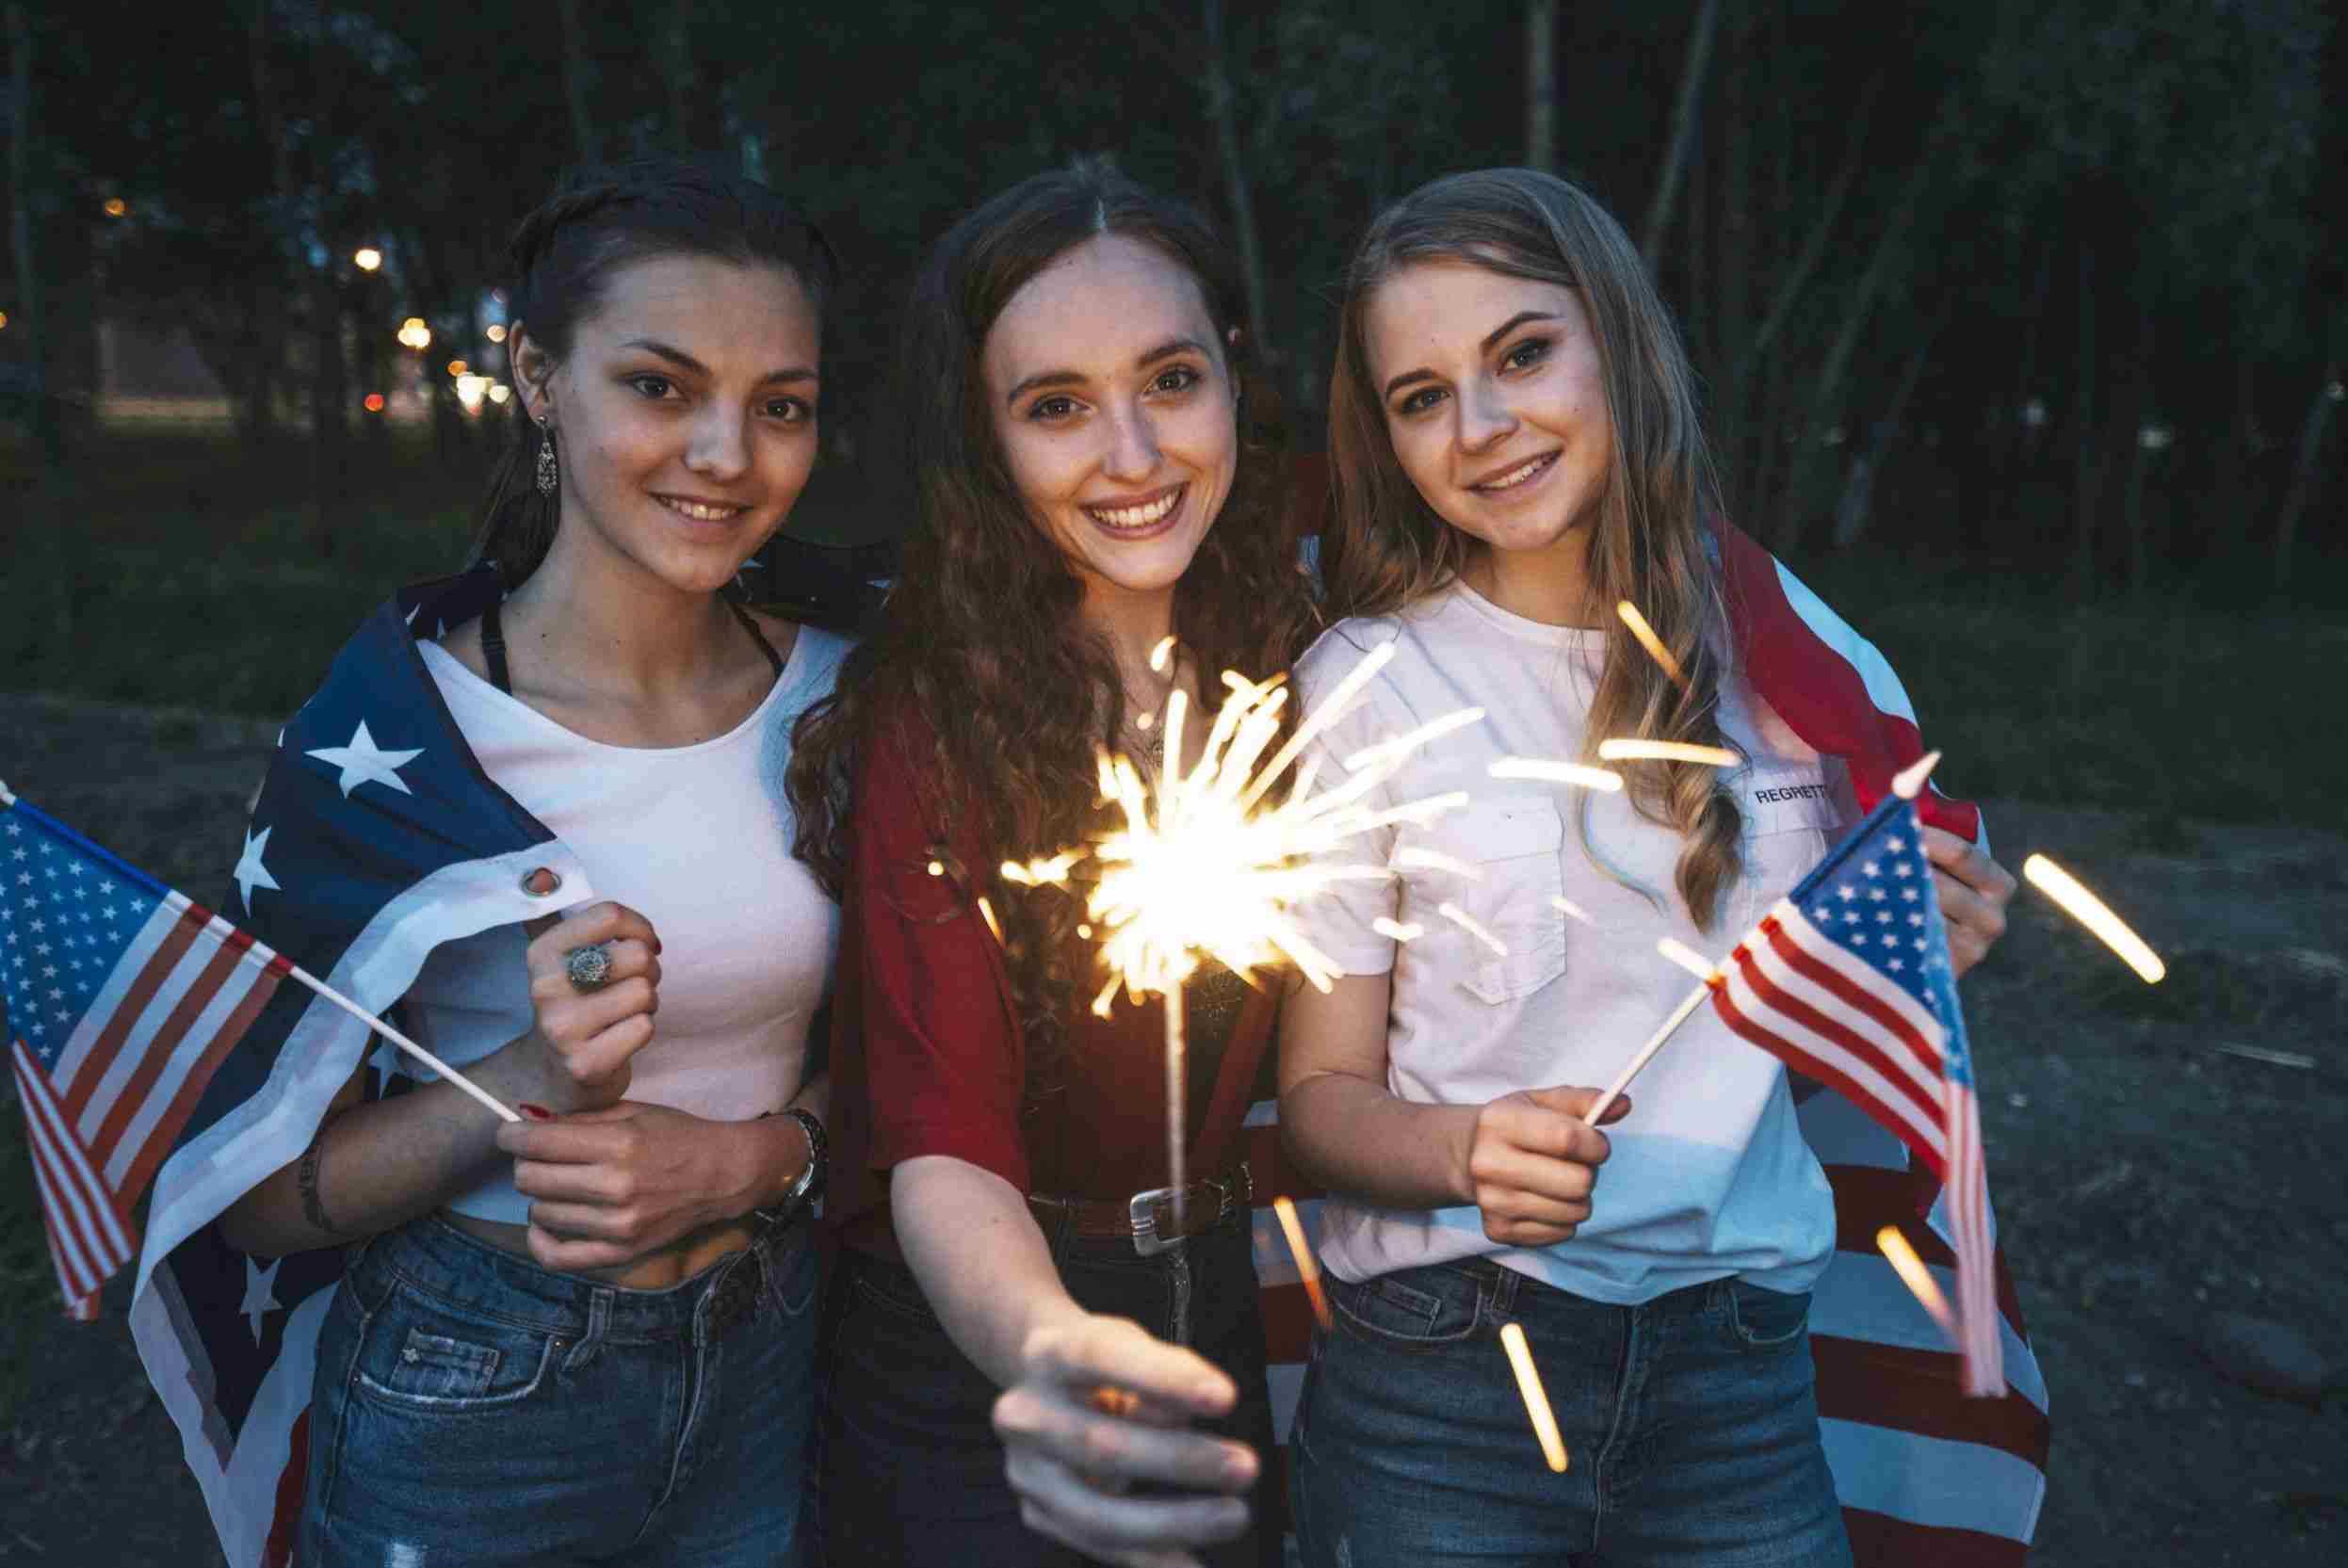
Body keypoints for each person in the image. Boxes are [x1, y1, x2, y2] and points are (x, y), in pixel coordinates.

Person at [1273, 169, 2022, 1567]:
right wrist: (1461, 1148)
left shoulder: (1803, 662)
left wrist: (1912, 949)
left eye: (1521, 354)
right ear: (1382, 439)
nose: (1483, 427)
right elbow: (1317, 1103)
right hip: (1445, 1373)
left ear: (1615, 340)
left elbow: (1791, 1050)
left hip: (1737, 1375)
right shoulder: (1367, 685)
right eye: (1420, 395)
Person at [130, 159, 851, 1568]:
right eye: (659, 385)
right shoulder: (396, 740)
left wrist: (757, 1157)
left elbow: (924, 1044)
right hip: (474, 1385)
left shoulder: (854, 690)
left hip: (774, 1358)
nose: (726, 453)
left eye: (782, 407)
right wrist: (518, 1088)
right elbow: (263, 1196)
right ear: (536, 373)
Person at [787, 161, 1319, 1568]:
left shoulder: (1304, 637)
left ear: (1234, 381)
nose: (1135, 455)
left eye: (1170, 380)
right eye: (1058, 407)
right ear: (984, 438)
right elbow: (942, 1138)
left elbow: (1592, 491)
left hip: (1221, 1292)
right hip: (969, 1339)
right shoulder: (934, 714)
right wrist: (1046, 1343)